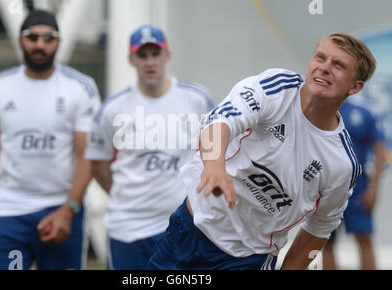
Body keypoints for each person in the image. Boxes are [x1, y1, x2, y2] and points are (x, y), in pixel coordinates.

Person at [147, 32, 377, 270]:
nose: (325, 68)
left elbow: (320, 228)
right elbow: (222, 120)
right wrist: (214, 166)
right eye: (320, 58)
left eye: (338, 65)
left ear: (355, 87)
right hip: (189, 228)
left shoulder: (343, 163)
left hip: (248, 259)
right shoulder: (278, 88)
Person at [0, 10, 101, 270]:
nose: (40, 44)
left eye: (48, 38)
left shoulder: (80, 87)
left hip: (60, 209)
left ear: (58, 42)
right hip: (10, 210)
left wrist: (68, 210)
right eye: (32, 37)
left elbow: (87, 155)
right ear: (21, 40)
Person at [84, 25, 214, 270]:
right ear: (131, 59)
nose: (149, 62)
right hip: (128, 229)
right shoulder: (114, 107)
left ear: (167, 55)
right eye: (142, 55)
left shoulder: (197, 99)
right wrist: (126, 196)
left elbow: (215, 154)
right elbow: (97, 164)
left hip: (182, 225)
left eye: (155, 54)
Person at [322, 101, 386, 270]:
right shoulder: (320, 110)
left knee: (364, 238)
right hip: (325, 189)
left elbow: (380, 150)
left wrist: (374, 188)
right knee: (324, 241)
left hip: (358, 189)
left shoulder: (363, 112)